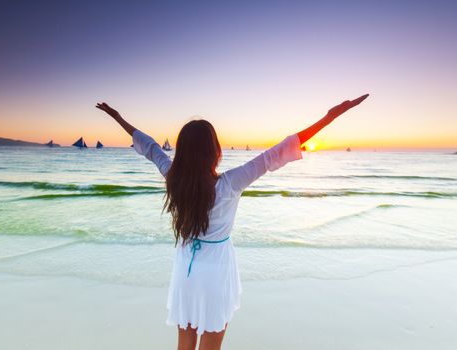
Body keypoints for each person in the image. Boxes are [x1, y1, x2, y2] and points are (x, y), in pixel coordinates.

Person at [96, 94, 369, 350]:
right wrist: (329, 118)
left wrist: (118, 118)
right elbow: (276, 153)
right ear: (213, 149)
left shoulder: (173, 177)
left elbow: (151, 148)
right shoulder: (230, 183)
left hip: (185, 271)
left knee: (185, 343)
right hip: (216, 270)